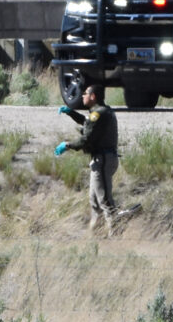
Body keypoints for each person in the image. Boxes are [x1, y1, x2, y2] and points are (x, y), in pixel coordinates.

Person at [55, 85, 130, 235]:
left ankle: (115, 234)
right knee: (95, 201)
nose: (82, 96)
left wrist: (68, 145)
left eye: (85, 93)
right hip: (103, 160)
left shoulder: (98, 114)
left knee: (105, 200)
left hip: (102, 160)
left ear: (93, 96)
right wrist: (71, 113)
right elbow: (89, 123)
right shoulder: (102, 112)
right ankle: (97, 234)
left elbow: (86, 139)